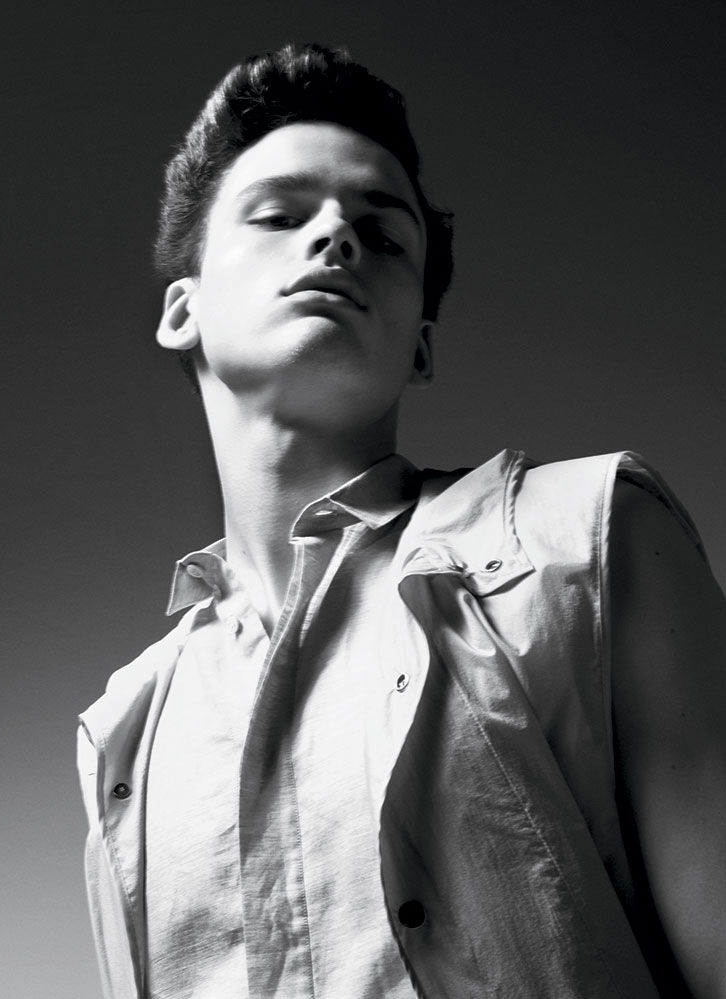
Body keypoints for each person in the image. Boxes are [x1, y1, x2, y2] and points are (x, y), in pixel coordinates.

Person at [77, 43, 726, 999]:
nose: (337, 237)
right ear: (184, 310)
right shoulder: (125, 727)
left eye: (383, 237)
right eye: (280, 215)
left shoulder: (592, 538)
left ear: (420, 346)